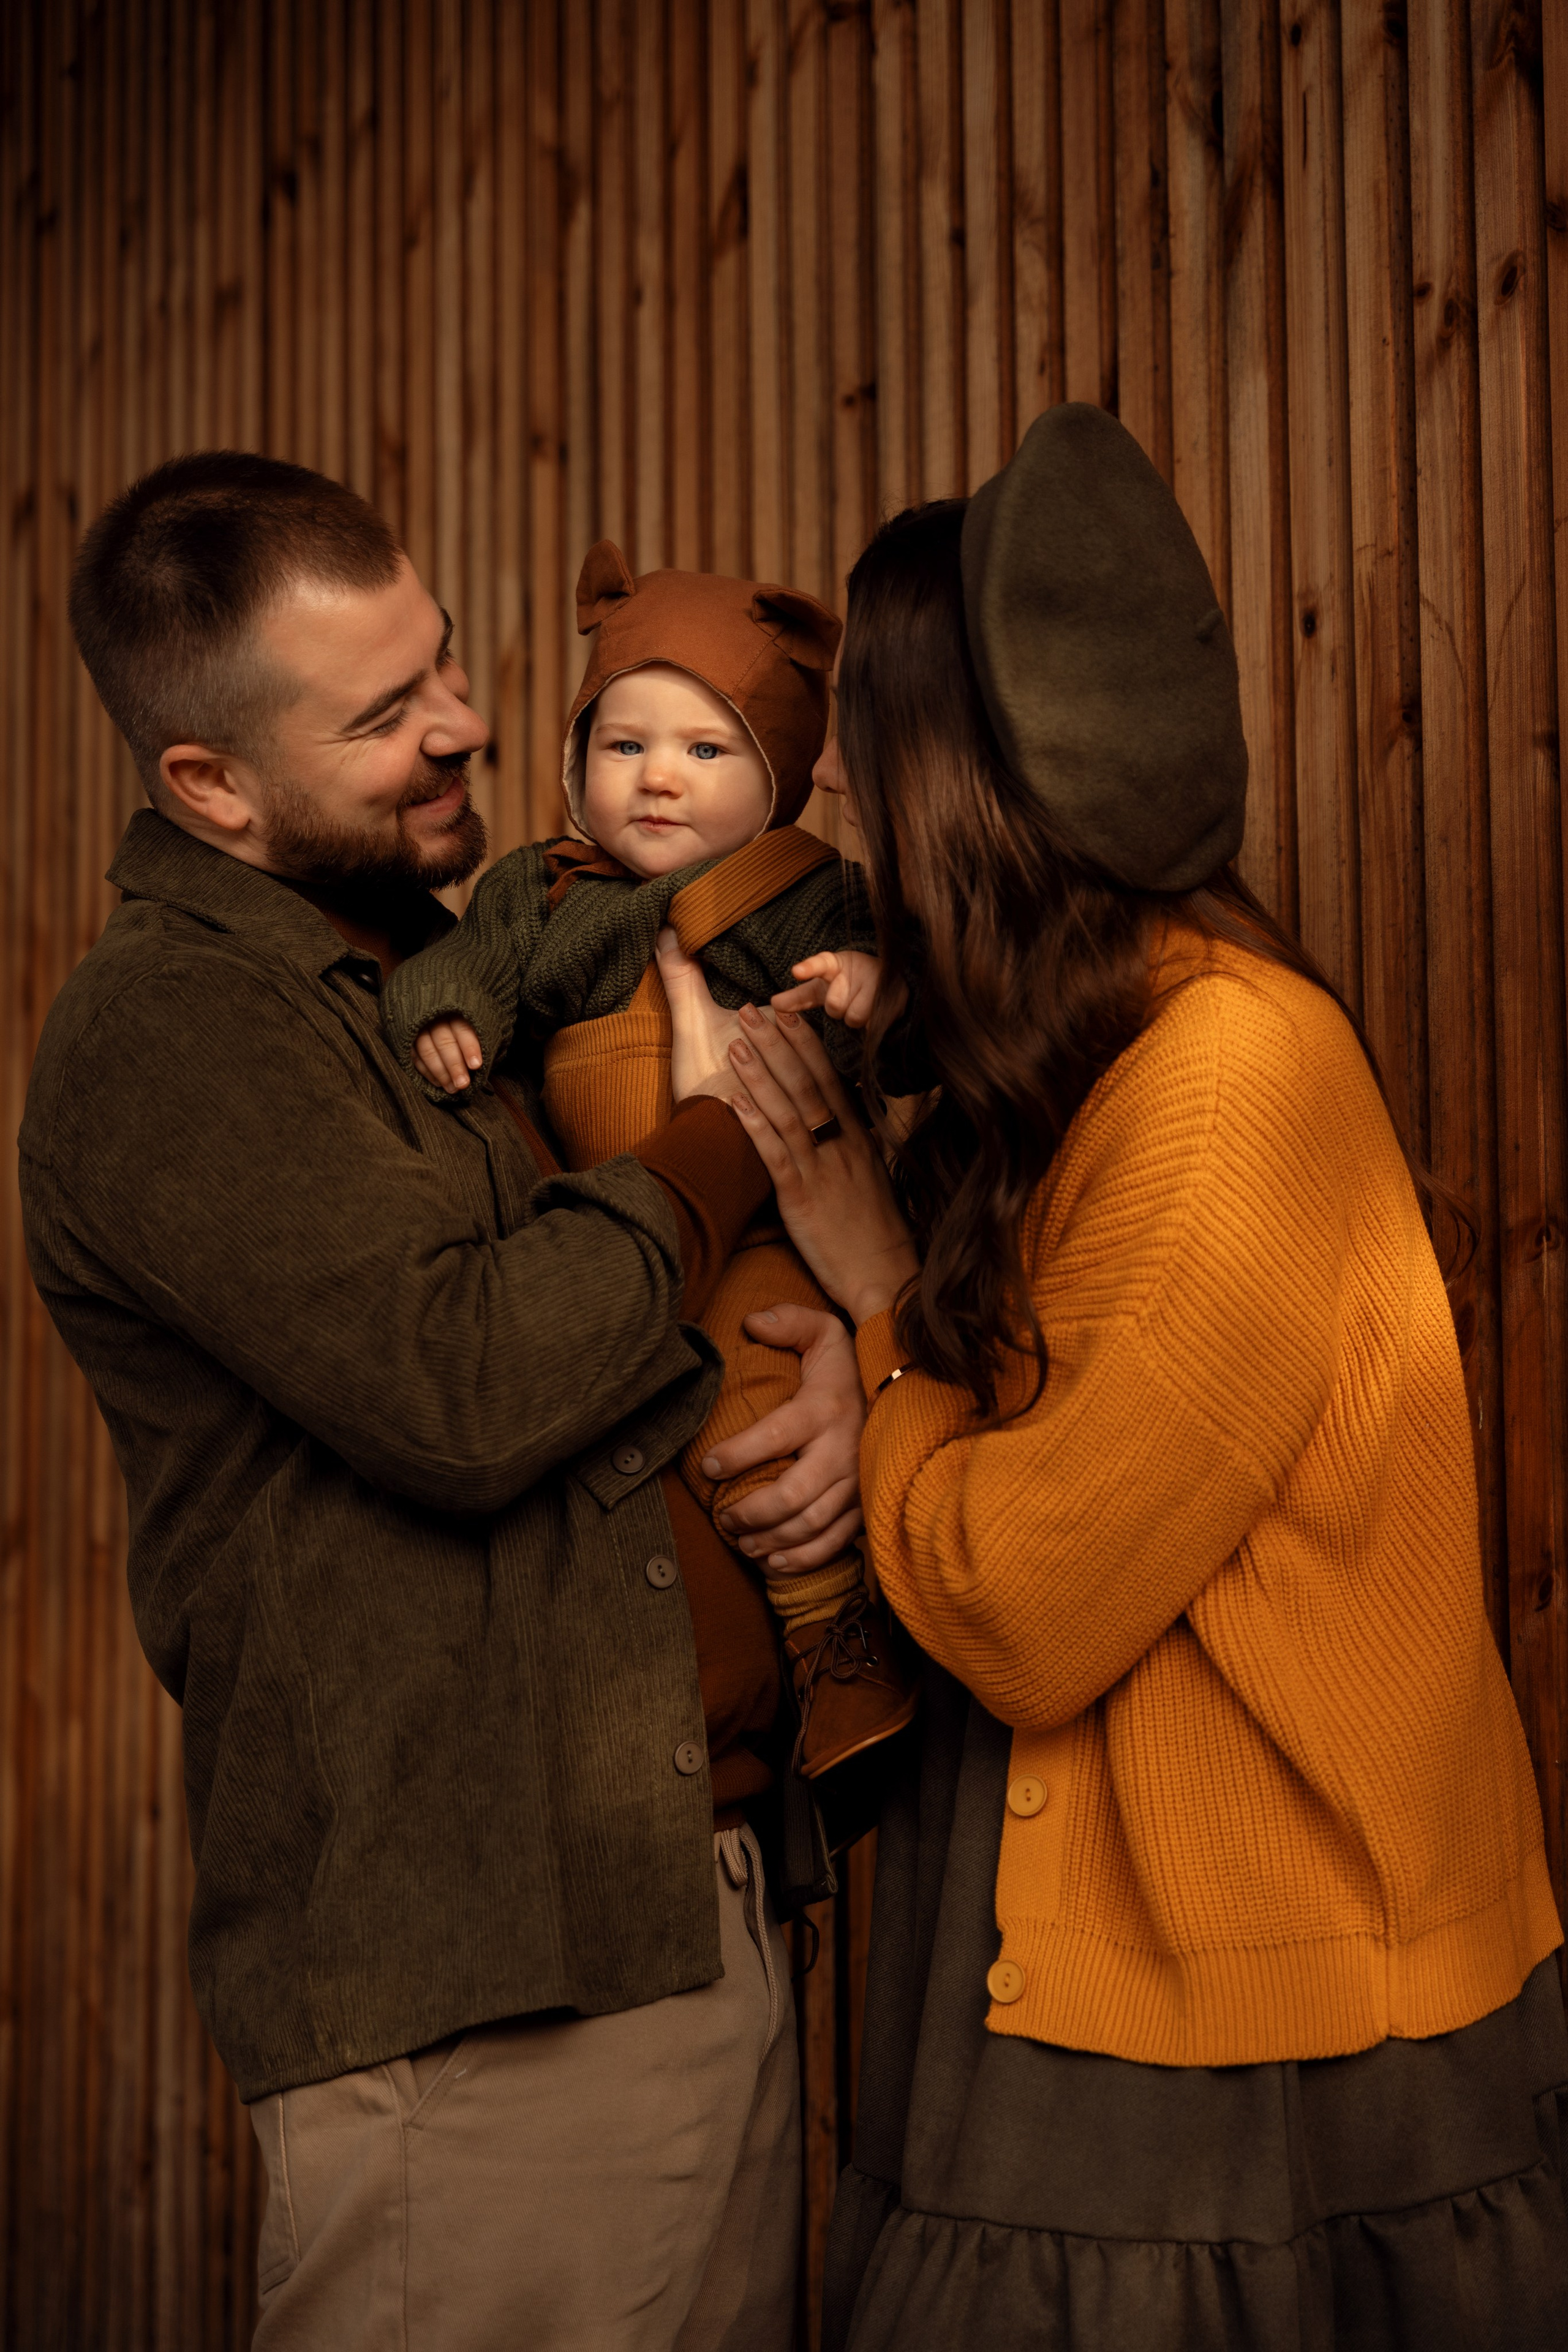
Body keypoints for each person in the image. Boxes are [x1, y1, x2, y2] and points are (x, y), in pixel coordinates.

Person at [664, 405, 1568, 2348]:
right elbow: (994, 1405)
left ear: (967, 796)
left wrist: (878, 1295)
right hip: (1078, 1972)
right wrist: (869, 1356)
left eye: (883, 782)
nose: (859, 841)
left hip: (1242, 2042)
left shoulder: (1231, 1082)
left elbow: (1027, 1595)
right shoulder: (1081, 1063)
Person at [18, 450, 867, 2351]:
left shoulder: (452, 952)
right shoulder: (175, 1035)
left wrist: (843, 1395)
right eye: (385, 712)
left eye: (452, 667)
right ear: (209, 785)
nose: (469, 728)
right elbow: (469, 1383)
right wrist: (731, 1138)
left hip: (684, 1897)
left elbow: (648, 1335)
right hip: (485, 1998)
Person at [379, 539, 916, 1778]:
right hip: (600, 1218)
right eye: (623, 749)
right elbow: (463, 967)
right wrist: (443, 1015)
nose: (657, 780)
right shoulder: (541, 892)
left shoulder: (800, 893)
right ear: (576, 766)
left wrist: (872, 992)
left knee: (756, 1401)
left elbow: (922, 1036)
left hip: (762, 1220)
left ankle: (832, 1645)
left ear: (781, 773)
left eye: (703, 750)